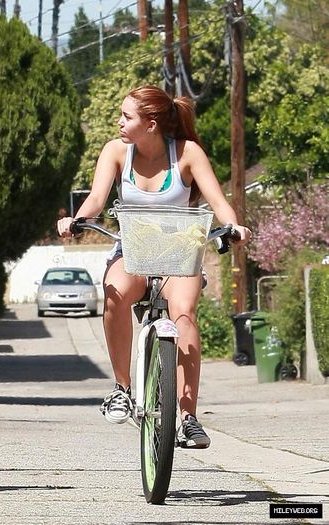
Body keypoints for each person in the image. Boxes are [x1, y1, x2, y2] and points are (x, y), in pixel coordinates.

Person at [57, 85, 251, 448]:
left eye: (126, 117)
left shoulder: (187, 154)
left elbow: (218, 202)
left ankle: (188, 418)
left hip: (180, 252)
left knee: (184, 313)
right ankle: (122, 389)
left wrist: (234, 225)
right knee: (115, 292)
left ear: (151, 124)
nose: (119, 122)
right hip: (133, 251)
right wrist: (77, 220)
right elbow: (96, 198)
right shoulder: (116, 152)